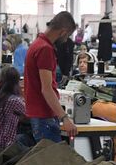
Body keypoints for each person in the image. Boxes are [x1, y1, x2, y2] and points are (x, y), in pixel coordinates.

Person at [22, 11, 80, 145]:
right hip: (44, 116)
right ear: (64, 32)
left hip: (37, 114)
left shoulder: (36, 44)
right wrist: (64, 118)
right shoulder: (45, 49)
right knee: (54, 162)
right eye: (68, 36)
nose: (66, 40)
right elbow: (47, 89)